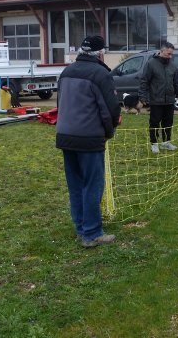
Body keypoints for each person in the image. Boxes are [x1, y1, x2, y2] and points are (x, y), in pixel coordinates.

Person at [55, 35, 121, 248]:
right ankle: (92, 232)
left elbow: (60, 103)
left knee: (75, 185)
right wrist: (110, 130)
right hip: (89, 137)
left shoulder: (66, 72)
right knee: (92, 185)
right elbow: (110, 108)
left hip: (65, 136)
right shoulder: (101, 74)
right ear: (100, 53)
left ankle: (81, 227)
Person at [138, 42, 178, 153]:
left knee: (168, 122)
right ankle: (154, 144)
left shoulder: (172, 65)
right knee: (154, 123)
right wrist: (142, 96)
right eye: (168, 54)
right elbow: (144, 81)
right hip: (156, 100)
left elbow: (176, 83)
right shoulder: (151, 64)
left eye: (171, 54)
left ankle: (166, 142)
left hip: (169, 100)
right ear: (162, 51)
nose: (170, 56)